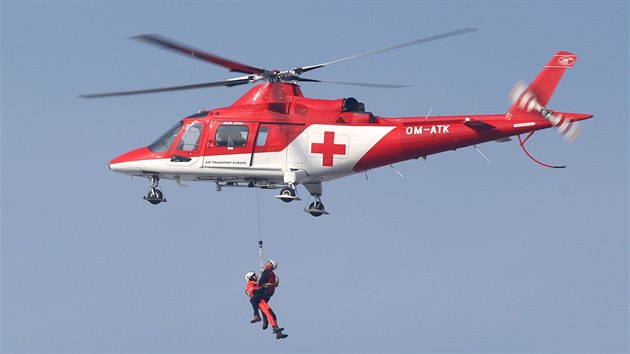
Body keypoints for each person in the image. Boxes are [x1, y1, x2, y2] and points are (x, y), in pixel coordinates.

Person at [245, 271, 288, 339]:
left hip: (261, 299)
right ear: (250, 277)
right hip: (258, 300)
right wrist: (264, 287)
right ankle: (272, 326)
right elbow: (254, 291)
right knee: (269, 313)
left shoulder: (256, 284)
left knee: (270, 314)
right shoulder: (250, 284)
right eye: (254, 275)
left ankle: (278, 332)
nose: (256, 276)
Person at [258, 260, 280, 330]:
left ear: (271, 265)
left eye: (268, 262)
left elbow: (261, 282)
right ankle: (265, 320)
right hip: (268, 294)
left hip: (265, 292)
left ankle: (266, 320)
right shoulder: (271, 273)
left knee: (263, 307)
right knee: (263, 307)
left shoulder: (267, 271)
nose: (266, 262)